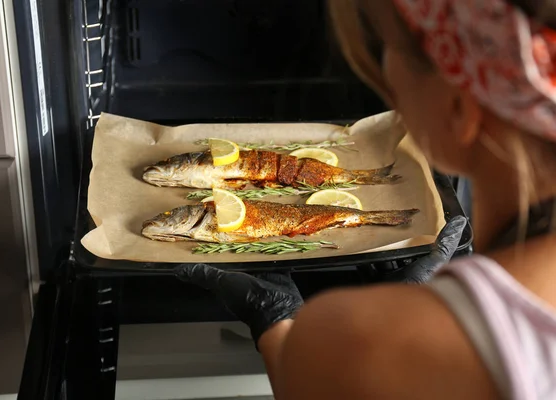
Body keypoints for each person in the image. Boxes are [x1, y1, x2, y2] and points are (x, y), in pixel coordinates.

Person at [175, 0, 556, 398]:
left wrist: (276, 321)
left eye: (387, 46)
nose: (382, 72)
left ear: (460, 108)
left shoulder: (364, 343)